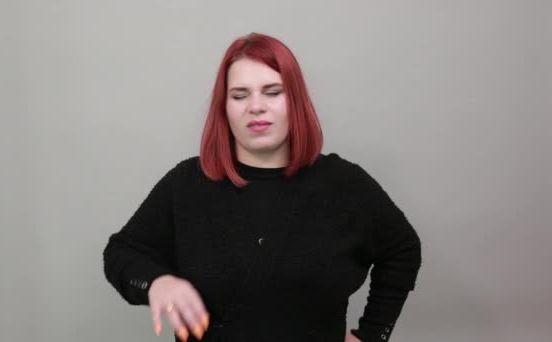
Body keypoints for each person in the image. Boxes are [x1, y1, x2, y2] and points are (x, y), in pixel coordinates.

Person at [102, 32, 422, 342]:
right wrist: (157, 283)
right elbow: (121, 254)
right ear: (224, 108)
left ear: (295, 101)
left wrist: (373, 335)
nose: (256, 106)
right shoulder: (186, 184)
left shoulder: (344, 185)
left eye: (272, 92)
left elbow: (402, 249)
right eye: (240, 95)